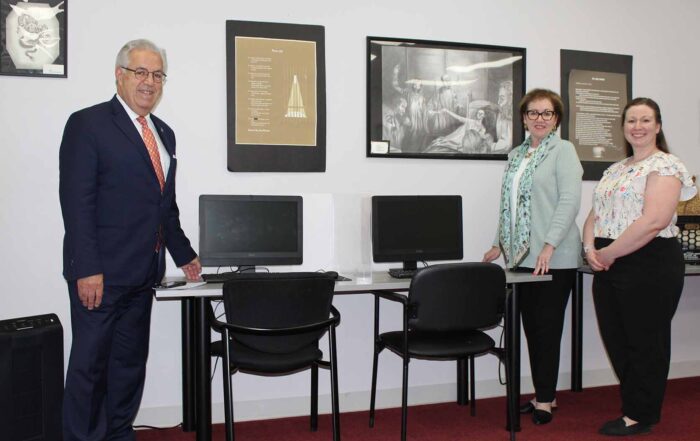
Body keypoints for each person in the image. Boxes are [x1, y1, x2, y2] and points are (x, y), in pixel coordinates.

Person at [59, 39, 201, 441]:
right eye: (140, 72)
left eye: (157, 75)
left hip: (142, 275)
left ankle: (119, 433)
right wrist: (87, 268)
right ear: (120, 75)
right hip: (99, 276)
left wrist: (185, 254)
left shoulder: (164, 134)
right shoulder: (88, 124)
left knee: (127, 366)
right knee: (90, 370)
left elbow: (163, 205)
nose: (149, 82)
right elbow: (77, 203)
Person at [582, 97, 696, 437]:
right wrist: (590, 248)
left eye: (646, 120)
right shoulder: (616, 169)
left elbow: (654, 221)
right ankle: (634, 403)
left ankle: (641, 413)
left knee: (645, 341)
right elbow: (595, 214)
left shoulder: (666, 166)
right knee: (616, 337)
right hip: (608, 260)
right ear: (624, 127)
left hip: (649, 262)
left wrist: (610, 253)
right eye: (631, 120)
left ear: (658, 126)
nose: (638, 126)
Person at [483, 89, 583, 425]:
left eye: (547, 113)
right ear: (524, 118)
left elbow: (569, 202)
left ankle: (543, 400)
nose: (539, 119)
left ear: (556, 119)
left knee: (546, 330)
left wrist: (549, 244)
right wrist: (498, 241)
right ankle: (547, 393)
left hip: (553, 258)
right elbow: (509, 203)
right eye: (533, 113)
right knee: (530, 329)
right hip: (520, 258)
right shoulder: (517, 154)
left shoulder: (563, 151)